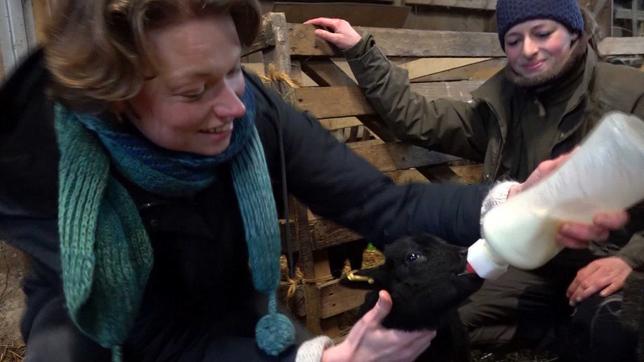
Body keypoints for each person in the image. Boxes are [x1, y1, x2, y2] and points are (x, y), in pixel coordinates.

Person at [0, 0, 626, 361]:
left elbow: (380, 202)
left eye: (234, 71)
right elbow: (158, 335)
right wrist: (323, 357)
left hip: (241, 304)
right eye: (195, 90)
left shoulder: (255, 117)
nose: (235, 107)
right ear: (116, 100)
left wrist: (515, 199)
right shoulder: (41, 167)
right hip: (107, 322)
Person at [306, 0, 644, 360]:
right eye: (513, 41)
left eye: (543, 33)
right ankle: (556, 334)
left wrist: (630, 260)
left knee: (611, 327)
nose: (528, 50)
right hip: (531, 264)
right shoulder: (505, 105)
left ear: (575, 32)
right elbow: (418, 119)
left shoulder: (629, 94)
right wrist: (361, 51)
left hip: (616, 261)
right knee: (440, 323)